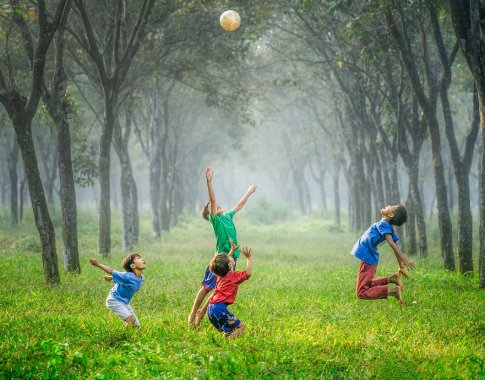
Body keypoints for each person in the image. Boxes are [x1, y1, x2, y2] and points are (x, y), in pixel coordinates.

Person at [188, 167, 256, 328]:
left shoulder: (227, 217)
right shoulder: (216, 221)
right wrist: (209, 182)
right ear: (209, 214)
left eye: (217, 205)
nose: (217, 205)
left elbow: (238, 205)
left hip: (232, 258)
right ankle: (193, 314)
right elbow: (212, 200)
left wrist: (248, 192)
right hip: (220, 260)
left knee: (221, 287)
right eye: (213, 207)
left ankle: (203, 313)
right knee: (207, 287)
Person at [351, 204, 414, 305]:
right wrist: (400, 266)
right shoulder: (385, 225)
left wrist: (404, 259)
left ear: (391, 214)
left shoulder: (384, 225)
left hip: (368, 259)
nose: (388, 205)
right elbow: (394, 246)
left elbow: (391, 243)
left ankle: (393, 292)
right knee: (367, 284)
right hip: (368, 258)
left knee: (361, 292)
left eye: (391, 206)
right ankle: (391, 279)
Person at [206, 240, 252, 339]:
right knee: (241, 327)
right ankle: (228, 345)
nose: (230, 256)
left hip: (210, 308)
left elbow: (224, 262)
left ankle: (225, 341)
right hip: (218, 309)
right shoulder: (232, 276)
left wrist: (232, 251)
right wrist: (248, 258)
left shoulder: (220, 274)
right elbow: (248, 273)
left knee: (231, 329)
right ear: (230, 265)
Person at [90, 253, 146, 327]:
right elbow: (111, 271)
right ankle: (124, 337)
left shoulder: (141, 277)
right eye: (138, 259)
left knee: (136, 325)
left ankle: (128, 334)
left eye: (140, 258)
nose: (142, 259)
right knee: (130, 320)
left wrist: (110, 278)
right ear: (133, 266)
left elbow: (122, 278)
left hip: (124, 303)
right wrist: (98, 264)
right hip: (114, 300)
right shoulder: (127, 276)